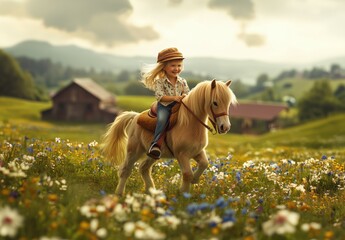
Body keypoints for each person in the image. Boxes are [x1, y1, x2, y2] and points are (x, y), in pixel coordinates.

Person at [140, 47, 190, 159]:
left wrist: (184, 97)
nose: (176, 68)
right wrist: (174, 98)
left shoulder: (182, 81)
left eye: (179, 65)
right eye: (173, 65)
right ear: (164, 67)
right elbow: (160, 96)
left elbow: (187, 93)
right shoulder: (160, 81)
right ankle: (155, 144)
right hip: (165, 106)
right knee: (163, 120)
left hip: (180, 105)